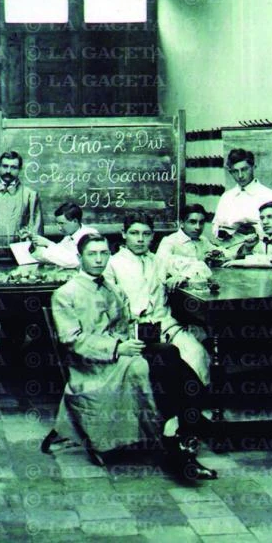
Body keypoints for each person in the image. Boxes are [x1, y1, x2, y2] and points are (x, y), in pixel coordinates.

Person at [50, 233, 216, 481]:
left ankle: (175, 428)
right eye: (91, 254)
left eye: (103, 253)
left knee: (169, 351)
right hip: (93, 363)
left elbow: (127, 323)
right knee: (150, 366)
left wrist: (136, 338)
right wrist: (118, 347)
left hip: (123, 351)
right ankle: (179, 439)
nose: (98, 259)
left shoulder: (112, 288)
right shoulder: (66, 293)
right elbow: (71, 339)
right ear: (79, 257)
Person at [104, 213, 211, 388]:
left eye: (146, 234)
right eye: (134, 233)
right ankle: (167, 412)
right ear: (123, 234)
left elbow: (202, 268)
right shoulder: (112, 264)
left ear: (153, 236)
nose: (140, 239)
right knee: (158, 366)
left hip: (166, 326)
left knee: (195, 354)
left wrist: (181, 276)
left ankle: (195, 410)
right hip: (133, 331)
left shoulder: (159, 260)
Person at [211, 148, 272, 242]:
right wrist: (223, 232)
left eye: (244, 169)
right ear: (230, 172)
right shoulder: (226, 197)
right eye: (235, 171)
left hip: (260, 252)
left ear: (253, 167)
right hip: (230, 251)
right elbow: (215, 227)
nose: (240, 175)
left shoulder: (269, 195)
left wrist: (255, 231)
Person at [156, 204, 223, 287]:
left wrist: (218, 254)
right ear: (182, 223)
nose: (198, 227)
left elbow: (221, 252)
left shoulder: (203, 240)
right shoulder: (169, 241)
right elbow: (161, 267)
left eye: (201, 223)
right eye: (193, 222)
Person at [31, 202, 98, 269]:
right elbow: (58, 254)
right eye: (58, 224)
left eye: (62, 223)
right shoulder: (68, 237)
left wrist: (48, 243)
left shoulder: (90, 235)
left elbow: (76, 262)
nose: (59, 228)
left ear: (75, 221)